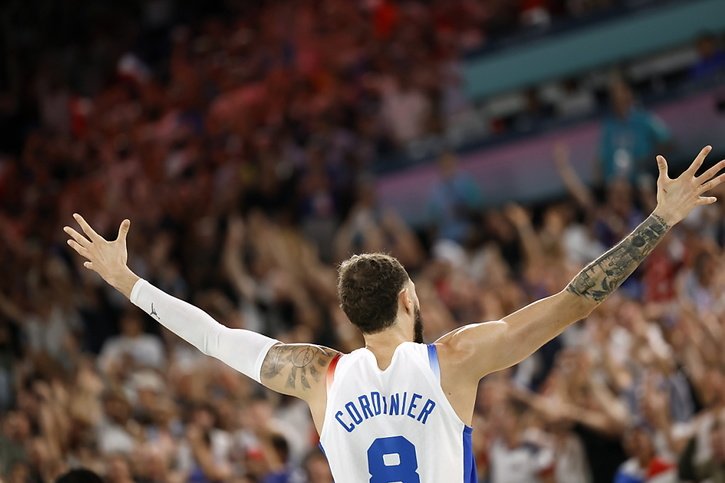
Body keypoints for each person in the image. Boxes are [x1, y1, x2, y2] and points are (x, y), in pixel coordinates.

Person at [64, 147, 724, 482]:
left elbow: (212, 336)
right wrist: (660, 218)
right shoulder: (455, 358)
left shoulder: (315, 374)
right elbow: (579, 294)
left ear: (351, 316)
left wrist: (130, 281)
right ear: (409, 298)